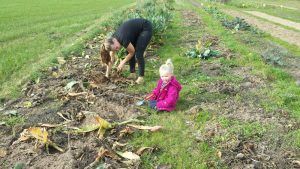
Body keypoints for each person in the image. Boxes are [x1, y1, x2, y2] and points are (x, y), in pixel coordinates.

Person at [101, 18, 153, 84]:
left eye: (116, 47)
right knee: (128, 51)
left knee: (138, 53)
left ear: (114, 41)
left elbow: (132, 52)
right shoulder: (112, 41)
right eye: (115, 49)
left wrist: (122, 62)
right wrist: (107, 75)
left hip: (145, 28)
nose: (117, 49)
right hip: (135, 32)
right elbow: (111, 60)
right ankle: (132, 73)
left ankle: (141, 77)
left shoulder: (122, 38)